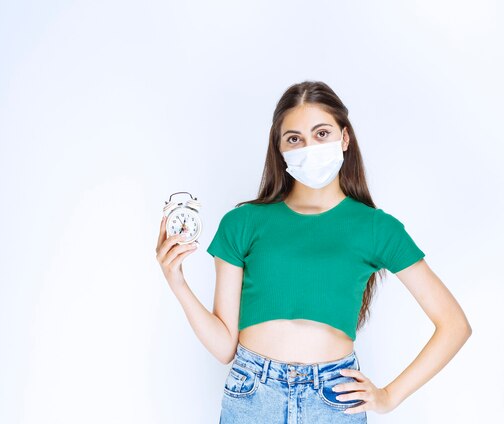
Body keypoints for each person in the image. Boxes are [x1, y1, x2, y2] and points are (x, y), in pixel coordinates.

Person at [156, 81, 472, 423]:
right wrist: (177, 282)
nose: (309, 146)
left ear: (344, 139)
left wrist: (389, 396)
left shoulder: (377, 229)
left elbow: (454, 324)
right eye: (294, 138)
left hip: (334, 399)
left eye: (322, 133)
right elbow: (223, 347)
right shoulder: (243, 222)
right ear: (279, 148)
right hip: (252, 395)